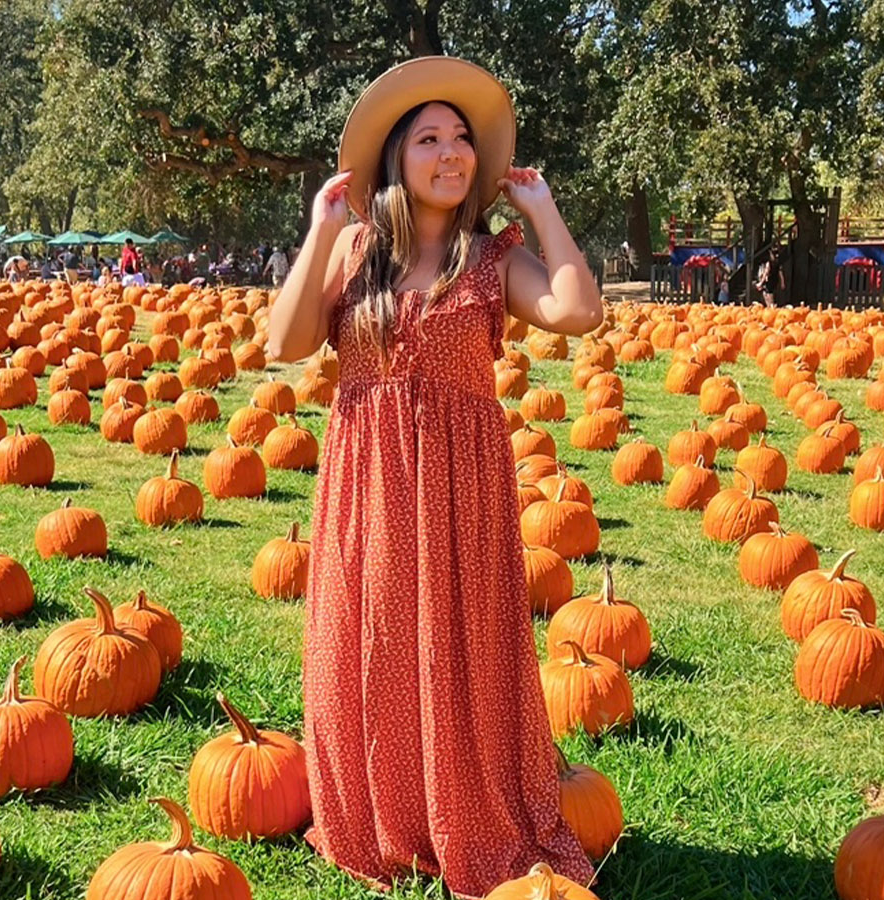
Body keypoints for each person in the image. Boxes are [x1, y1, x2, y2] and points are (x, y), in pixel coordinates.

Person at [266, 57, 601, 897]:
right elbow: (286, 343)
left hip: (461, 489)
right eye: (429, 139)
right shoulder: (354, 251)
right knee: (369, 643)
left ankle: (465, 813)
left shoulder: (494, 259)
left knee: (460, 651)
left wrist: (544, 210)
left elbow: (579, 311)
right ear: (395, 160)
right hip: (368, 480)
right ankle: (383, 819)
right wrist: (319, 228)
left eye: (461, 140)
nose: (450, 153)